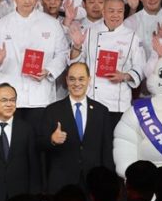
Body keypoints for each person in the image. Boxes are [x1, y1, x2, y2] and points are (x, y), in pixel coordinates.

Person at [0, 0, 68, 133]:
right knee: (13, 145)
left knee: (39, 144)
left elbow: (63, 53)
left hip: (41, 97)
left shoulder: (51, 23)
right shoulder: (0, 25)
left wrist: (49, 70)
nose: (28, 1)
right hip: (9, 99)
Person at [69, 0, 146, 129]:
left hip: (117, 102)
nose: (115, 15)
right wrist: (76, 46)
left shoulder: (132, 37)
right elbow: (75, 65)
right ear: (103, 12)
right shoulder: (88, 32)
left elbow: (140, 67)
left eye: (120, 11)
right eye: (111, 11)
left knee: (113, 144)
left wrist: (124, 76)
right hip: (91, 99)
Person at [39, 63, 114, 193]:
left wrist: (108, 181)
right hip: (62, 183)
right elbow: (39, 144)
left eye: (81, 79)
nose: (76, 83)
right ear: (67, 80)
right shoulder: (52, 110)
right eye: (72, 79)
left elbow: (107, 150)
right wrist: (52, 139)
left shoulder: (101, 111)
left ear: (89, 80)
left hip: (94, 182)